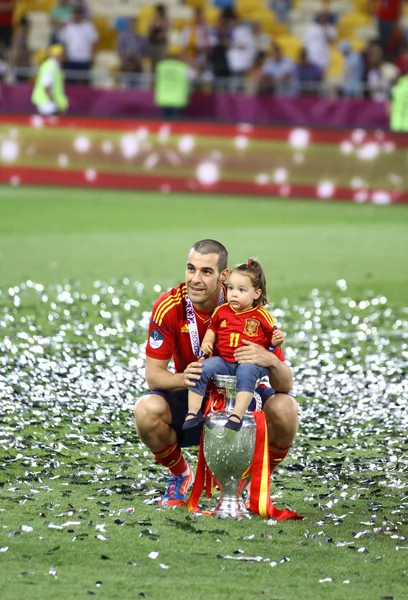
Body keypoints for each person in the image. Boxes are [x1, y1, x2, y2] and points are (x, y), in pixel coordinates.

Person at [134, 239, 298, 507]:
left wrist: (271, 360)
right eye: (190, 269)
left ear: (223, 276)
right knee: (146, 410)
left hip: (239, 397)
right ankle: (180, 475)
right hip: (193, 400)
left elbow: (285, 385)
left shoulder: (246, 303)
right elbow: (154, 377)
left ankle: (254, 482)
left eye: (206, 272)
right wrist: (185, 378)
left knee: (286, 408)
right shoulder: (170, 306)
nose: (195, 279)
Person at [183, 258, 283, 432]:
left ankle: (237, 415)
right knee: (201, 368)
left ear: (256, 294)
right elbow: (212, 329)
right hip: (225, 361)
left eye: (241, 290)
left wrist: (276, 340)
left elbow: (271, 339)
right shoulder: (222, 311)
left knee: (247, 371)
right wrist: (207, 341)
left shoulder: (261, 315)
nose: (234, 294)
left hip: (250, 362)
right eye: (231, 288)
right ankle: (193, 413)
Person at [31, 44, 68, 116]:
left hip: (47, 102)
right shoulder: (50, 66)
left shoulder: (53, 66)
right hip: (47, 103)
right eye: (61, 55)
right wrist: (54, 102)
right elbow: (46, 86)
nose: (63, 57)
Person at [154, 48, 190, 119]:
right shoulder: (183, 67)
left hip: (163, 98)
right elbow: (193, 77)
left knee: (164, 125)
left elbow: (155, 80)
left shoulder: (160, 66)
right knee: (176, 127)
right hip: (178, 100)